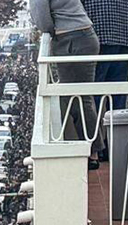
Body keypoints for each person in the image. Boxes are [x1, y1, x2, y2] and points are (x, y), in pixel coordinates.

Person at [30, 0, 99, 142]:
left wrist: (50, 33)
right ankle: (94, 147)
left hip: (69, 40)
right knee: (83, 98)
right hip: (85, 35)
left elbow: (42, 21)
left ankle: (91, 148)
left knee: (75, 99)